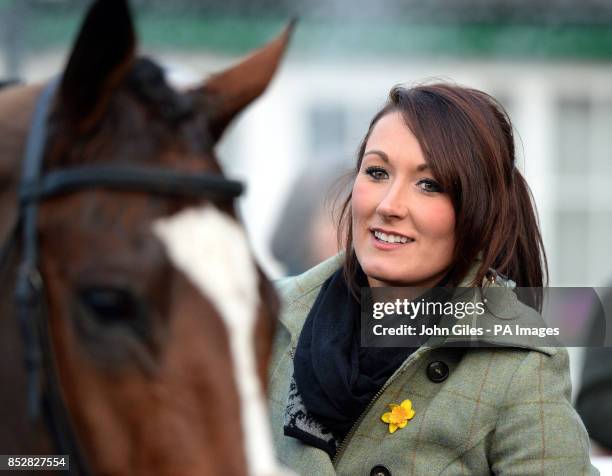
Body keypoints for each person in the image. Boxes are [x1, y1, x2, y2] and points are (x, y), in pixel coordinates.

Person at [266, 83, 598, 475]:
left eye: (429, 184)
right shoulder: (265, 322)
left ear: (476, 211)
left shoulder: (520, 366)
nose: (389, 205)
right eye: (376, 172)